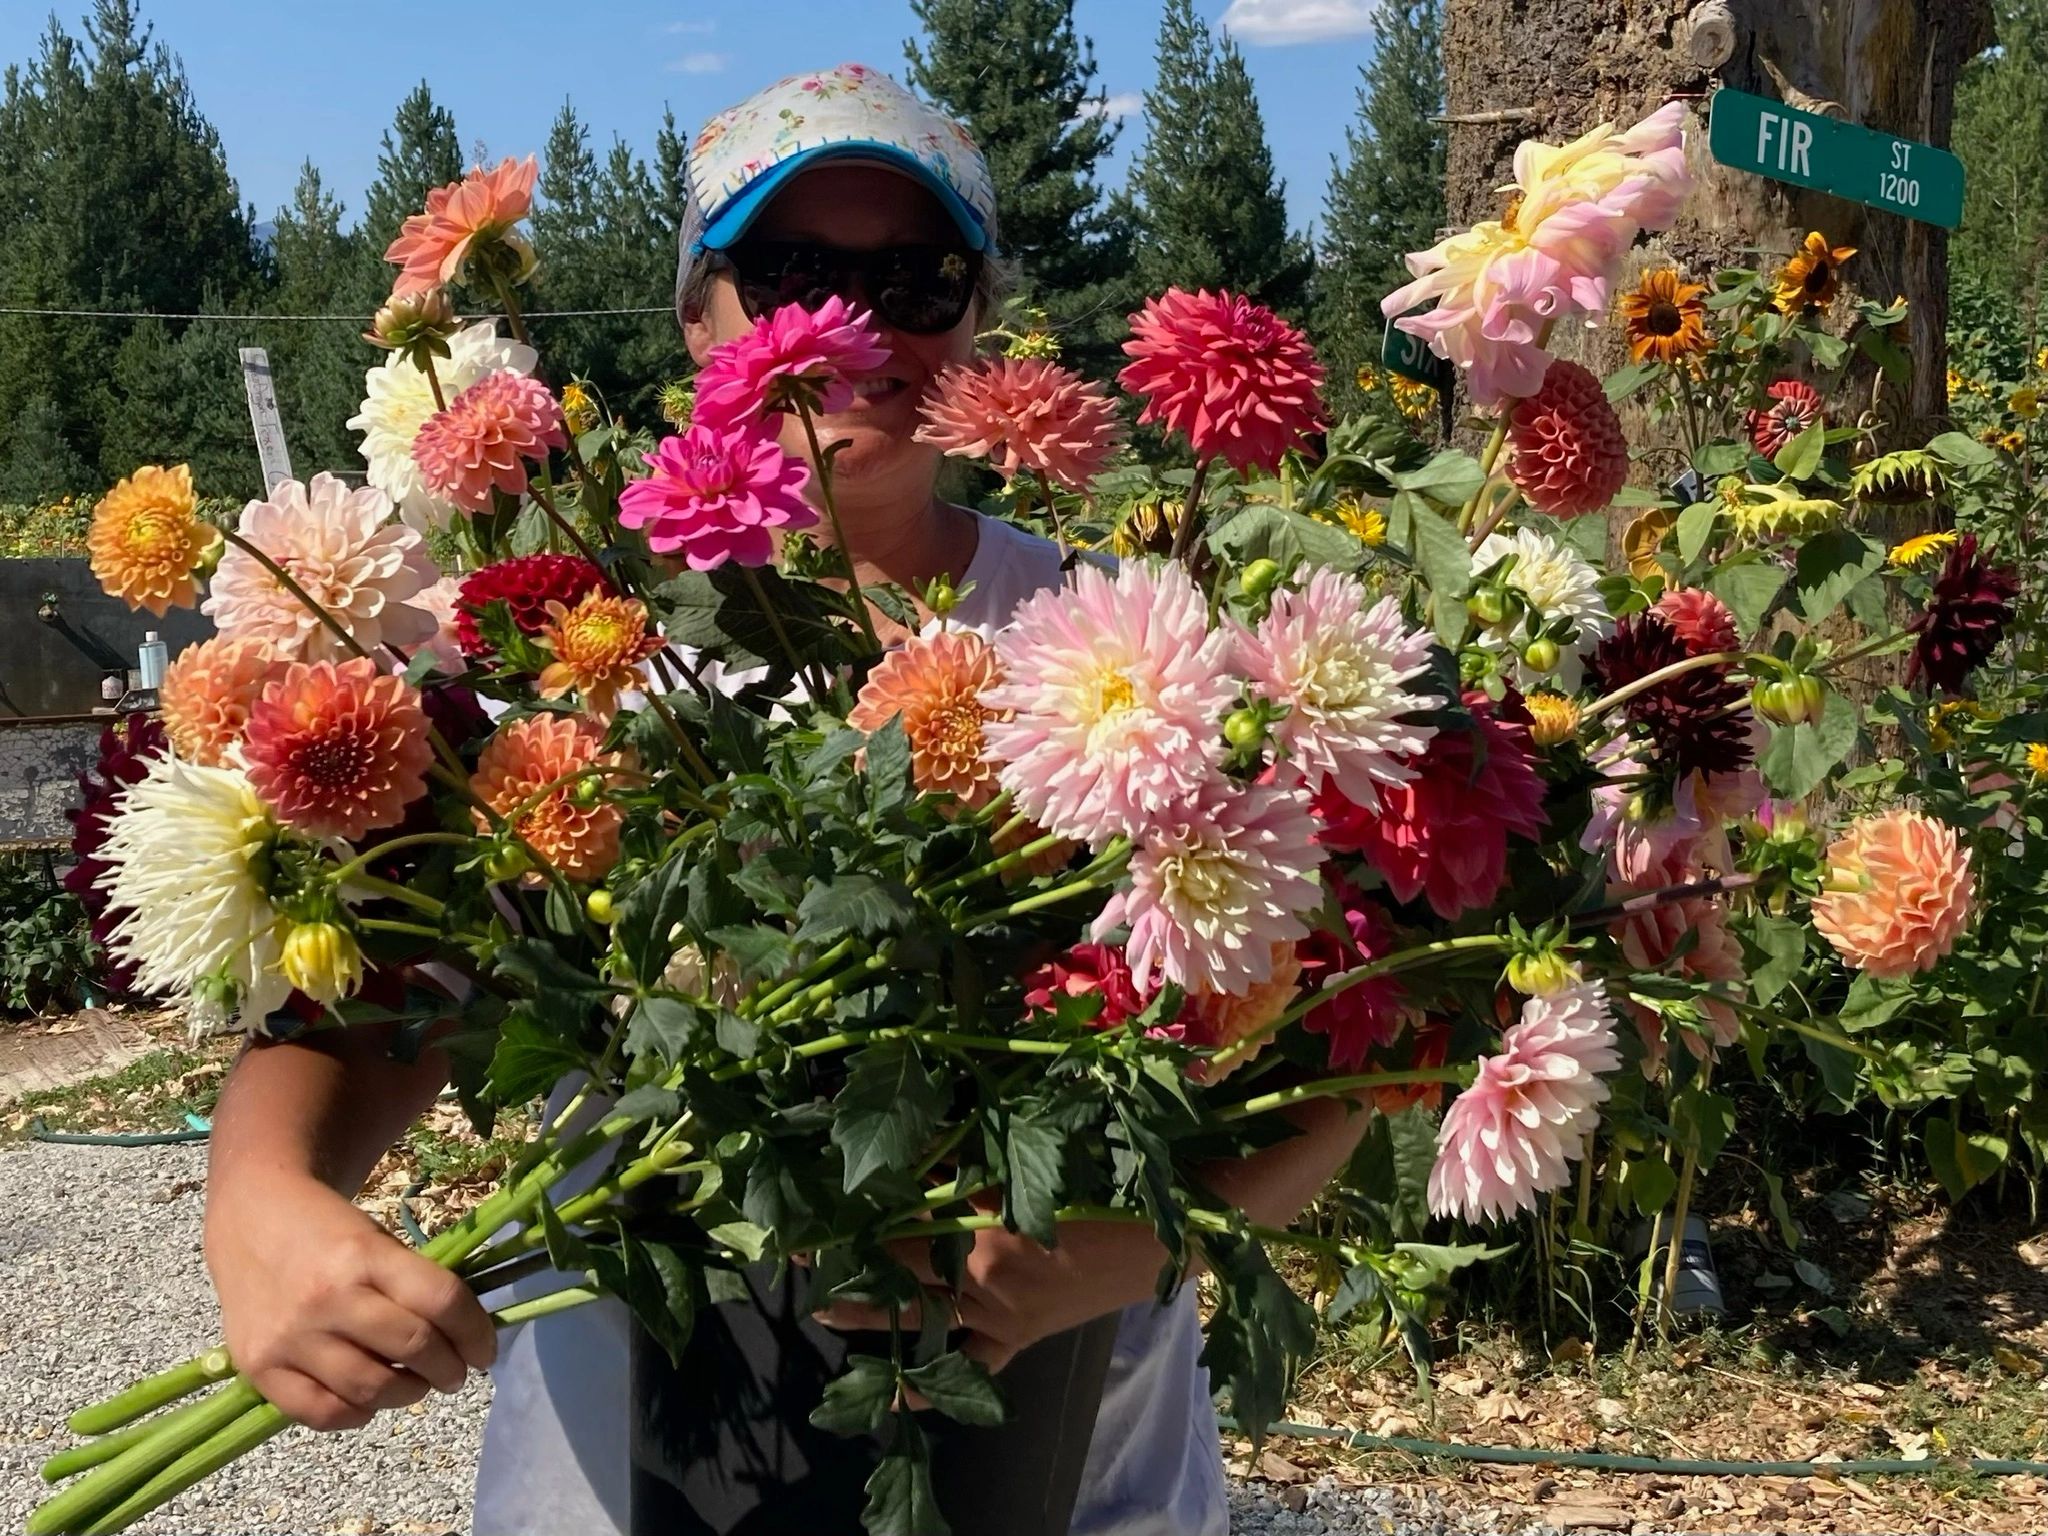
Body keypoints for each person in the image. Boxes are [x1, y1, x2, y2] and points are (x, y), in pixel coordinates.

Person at [201, 63, 1378, 1536]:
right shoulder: (579, 645)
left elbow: (1353, 1040)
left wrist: (1133, 1243)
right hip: (631, 1479)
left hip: (1080, 1473)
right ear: (699, 313)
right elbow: (383, 992)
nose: (856, 325)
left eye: (917, 278)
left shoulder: (1135, 642)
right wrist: (259, 1198)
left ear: (982, 320)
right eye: (794, 272)